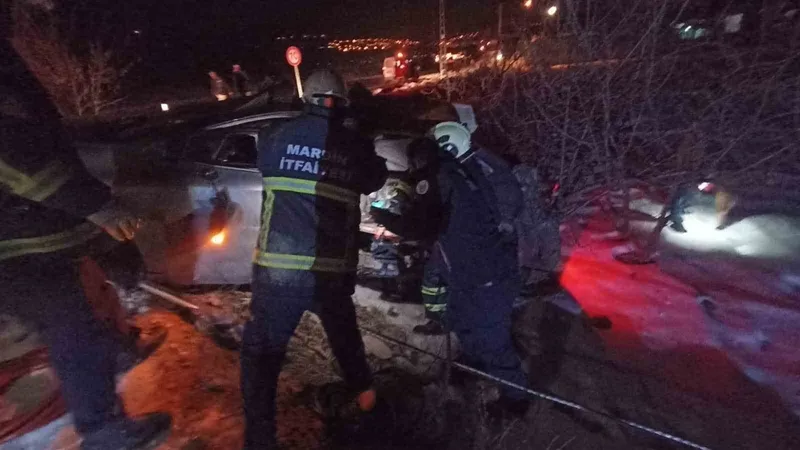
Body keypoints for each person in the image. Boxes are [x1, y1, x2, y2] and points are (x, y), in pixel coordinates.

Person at [0, 16, 171, 449]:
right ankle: (102, 430)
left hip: (30, 231)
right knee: (71, 323)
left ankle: (113, 356)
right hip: (16, 242)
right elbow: (21, 161)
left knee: (84, 308)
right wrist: (97, 206)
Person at [241, 69, 387, 450]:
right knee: (348, 349)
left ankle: (260, 439)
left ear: (306, 99)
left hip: (278, 273)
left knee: (262, 357)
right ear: (342, 103)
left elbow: (263, 157)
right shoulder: (353, 146)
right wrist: (362, 136)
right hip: (330, 275)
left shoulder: (275, 137)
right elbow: (375, 177)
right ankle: (373, 418)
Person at [405, 124, 529, 417]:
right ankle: (478, 365)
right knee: (465, 325)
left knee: (492, 341)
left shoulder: (474, 178)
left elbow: (477, 228)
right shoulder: (465, 172)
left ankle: (516, 398)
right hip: (467, 275)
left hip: (486, 276)